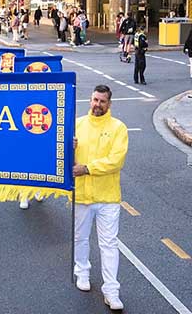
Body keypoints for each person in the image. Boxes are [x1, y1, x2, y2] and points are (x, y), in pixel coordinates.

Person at [72, 85, 128, 311]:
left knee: (109, 244)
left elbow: (116, 160)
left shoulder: (118, 128)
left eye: (102, 101)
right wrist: (69, 147)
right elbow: (60, 156)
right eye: (95, 100)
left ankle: (111, 291)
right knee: (81, 238)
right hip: (82, 195)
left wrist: (88, 168)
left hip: (108, 197)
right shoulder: (76, 124)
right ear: (90, 100)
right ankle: (82, 272)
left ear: (109, 104)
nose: (97, 105)